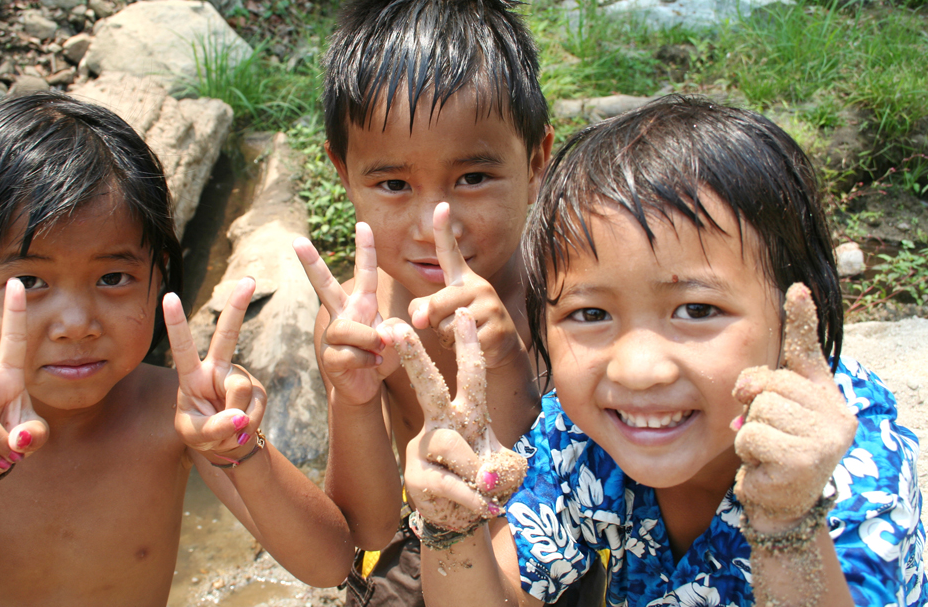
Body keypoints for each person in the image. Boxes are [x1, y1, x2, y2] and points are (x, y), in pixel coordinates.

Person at [394, 95, 926, 606]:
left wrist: (789, 523)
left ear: (792, 319)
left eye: (696, 310)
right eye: (591, 315)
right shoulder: (579, 437)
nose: (638, 370)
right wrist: (452, 528)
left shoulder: (844, 468)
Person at [0, 92, 354, 605]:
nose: (77, 325)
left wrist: (240, 450)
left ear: (160, 271)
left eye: (113, 277)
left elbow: (328, 564)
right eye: (29, 281)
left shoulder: (176, 415)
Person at [293, 0, 554, 606]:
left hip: (559, 532)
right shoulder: (362, 319)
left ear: (537, 161)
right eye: (394, 184)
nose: (436, 221)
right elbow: (371, 525)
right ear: (344, 174)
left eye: (472, 177)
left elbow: (552, 472)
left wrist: (505, 357)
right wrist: (352, 397)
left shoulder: (567, 290)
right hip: (425, 536)